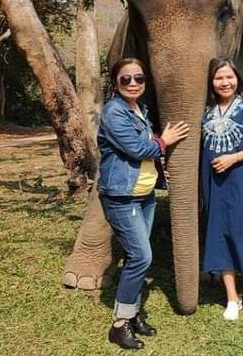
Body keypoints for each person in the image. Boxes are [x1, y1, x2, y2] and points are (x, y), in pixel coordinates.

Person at [98, 57, 190, 349]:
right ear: (116, 82)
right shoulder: (114, 112)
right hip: (122, 196)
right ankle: (119, 324)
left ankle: (134, 312)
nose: (133, 83)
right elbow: (139, 148)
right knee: (142, 257)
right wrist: (166, 139)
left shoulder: (139, 109)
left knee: (135, 256)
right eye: (126, 79)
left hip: (144, 194)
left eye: (138, 78)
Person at [200, 57, 243, 320]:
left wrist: (234, 158)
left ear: (237, 78)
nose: (224, 82)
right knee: (219, 234)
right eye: (219, 78)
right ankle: (232, 297)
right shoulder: (206, 111)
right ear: (211, 82)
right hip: (215, 183)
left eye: (229, 77)